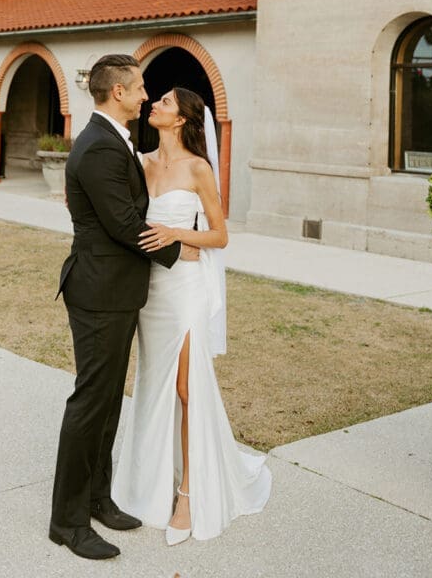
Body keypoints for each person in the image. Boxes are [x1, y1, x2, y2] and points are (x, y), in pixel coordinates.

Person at [49, 55, 199, 561]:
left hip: (117, 291)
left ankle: (97, 498)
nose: (143, 95)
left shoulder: (113, 140)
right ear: (118, 93)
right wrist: (183, 250)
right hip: (98, 293)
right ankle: (68, 523)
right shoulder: (98, 147)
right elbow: (123, 223)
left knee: (110, 400)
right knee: (90, 402)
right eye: (138, 88)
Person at [112, 87, 272, 543]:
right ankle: (148, 482)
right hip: (152, 292)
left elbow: (220, 236)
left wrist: (177, 233)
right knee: (153, 386)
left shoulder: (199, 168)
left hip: (186, 289)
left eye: (163, 102)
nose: (154, 106)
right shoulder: (140, 163)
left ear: (181, 119)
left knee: (186, 388)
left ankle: (188, 494)